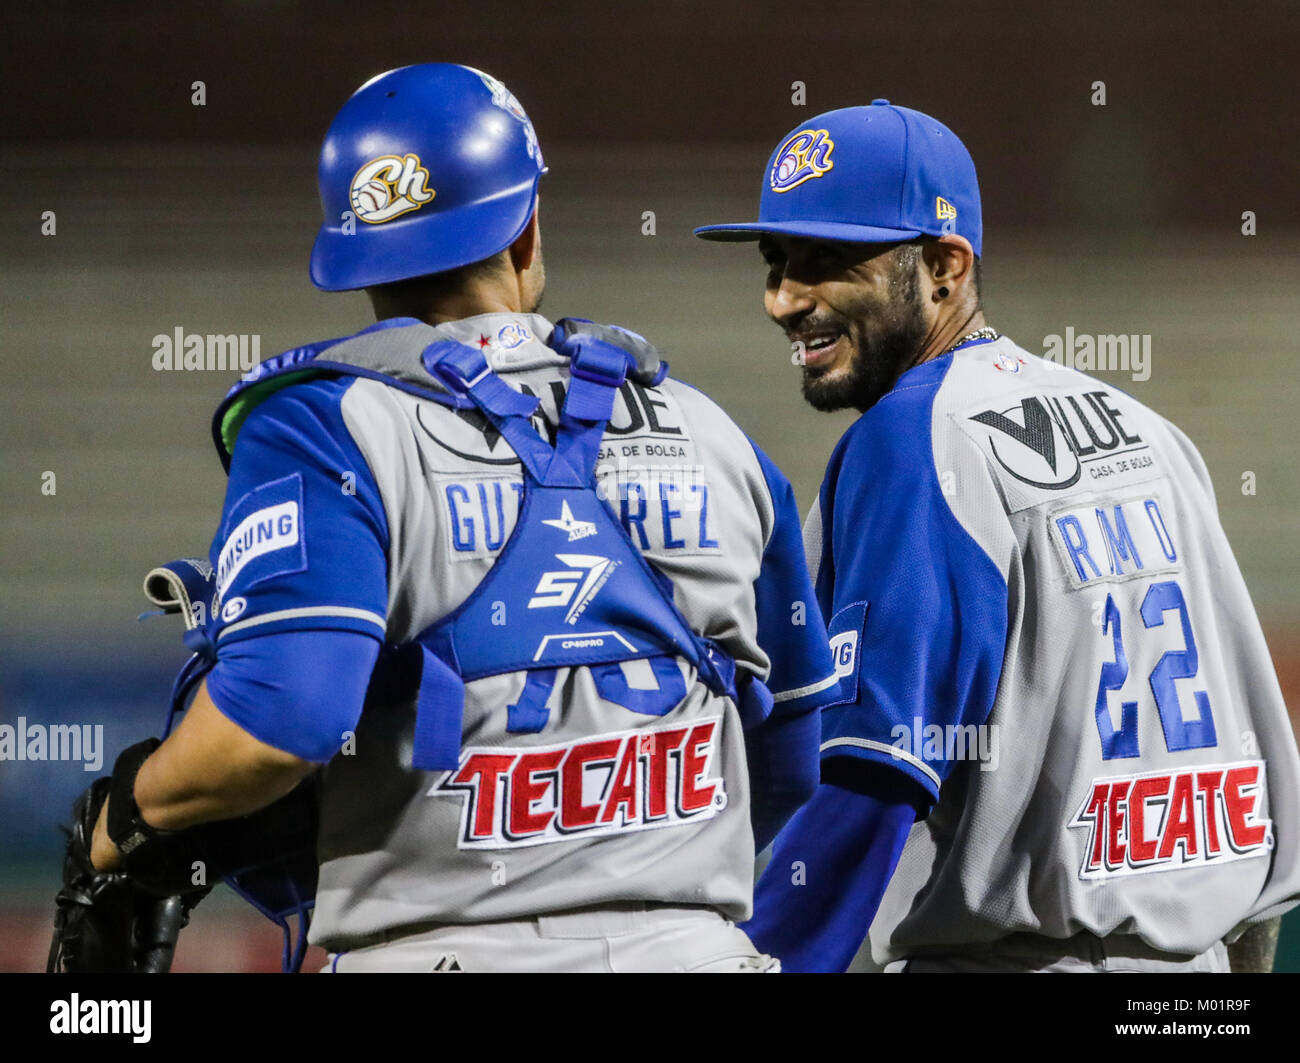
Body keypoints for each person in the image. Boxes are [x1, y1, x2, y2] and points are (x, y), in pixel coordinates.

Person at [50, 63, 838, 974]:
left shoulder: (321, 424)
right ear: (529, 223)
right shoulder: (713, 433)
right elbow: (788, 766)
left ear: (353, 259)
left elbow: (281, 718)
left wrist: (119, 821)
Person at [692, 100, 1300, 973]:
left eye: (826, 262)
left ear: (944, 267)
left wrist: (765, 960)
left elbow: (875, 772)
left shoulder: (911, 437)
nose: (784, 298)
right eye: (777, 262)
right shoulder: (1154, 435)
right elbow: (1264, 802)